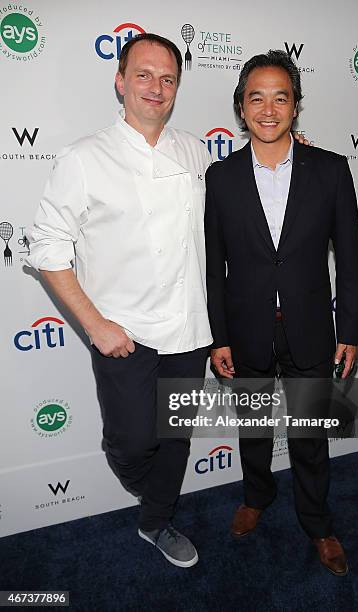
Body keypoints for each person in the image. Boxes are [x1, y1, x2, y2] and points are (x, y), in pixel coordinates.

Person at [27, 33, 213, 568]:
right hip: (124, 334)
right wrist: (95, 325)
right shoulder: (84, 158)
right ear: (120, 81)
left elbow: (239, 200)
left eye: (168, 78)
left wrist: (293, 153)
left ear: (177, 88)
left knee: (176, 437)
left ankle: (155, 521)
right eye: (144, 75)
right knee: (133, 444)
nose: (156, 87)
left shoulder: (195, 150)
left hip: (189, 329)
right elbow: (46, 247)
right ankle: (151, 494)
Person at [205, 50, 358, 576]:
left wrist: (352, 330)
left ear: (295, 106)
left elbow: (351, 257)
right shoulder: (220, 177)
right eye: (257, 97)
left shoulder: (332, 169)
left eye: (281, 96)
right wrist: (218, 336)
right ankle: (256, 497)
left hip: (311, 328)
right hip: (245, 329)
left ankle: (318, 525)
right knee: (252, 426)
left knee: (309, 434)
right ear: (241, 107)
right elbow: (214, 264)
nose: (268, 108)